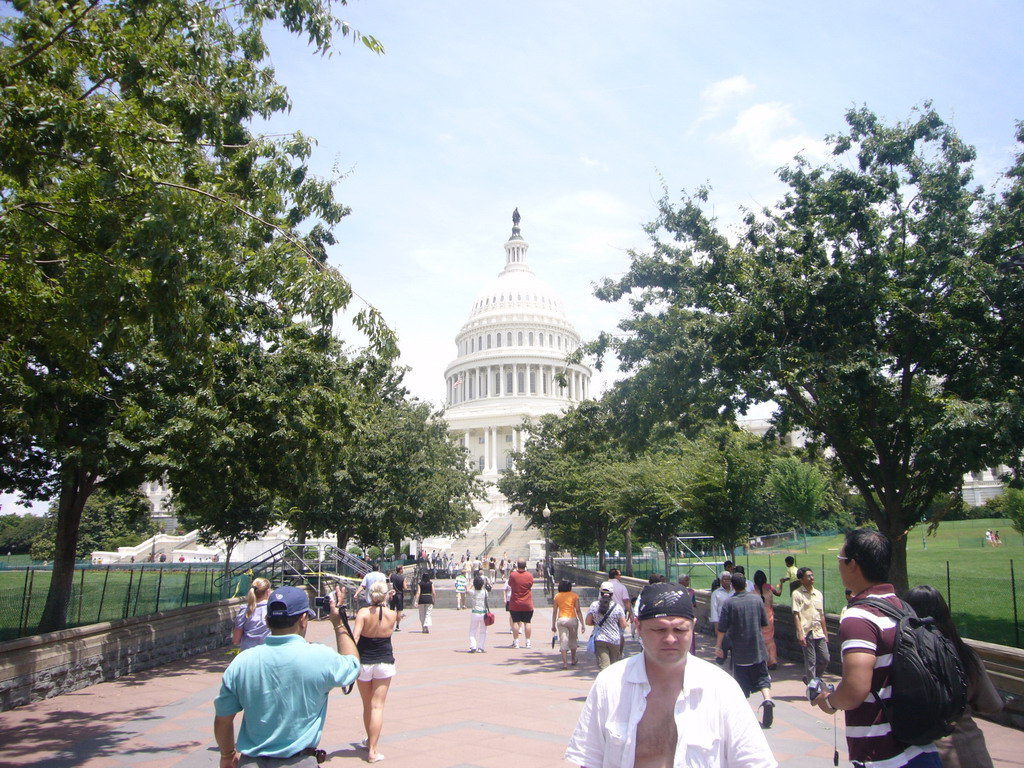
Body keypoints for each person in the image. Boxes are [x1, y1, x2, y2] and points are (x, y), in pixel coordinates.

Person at [567, 583, 776, 768]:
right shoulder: (610, 684)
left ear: (692, 626)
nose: (670, 639)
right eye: (658, 630)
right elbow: (590, 760)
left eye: (679, 629)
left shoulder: (722, 688)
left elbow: (754, 761)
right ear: (638, 627)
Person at [813, 528, 942, 767]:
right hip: (921, 744)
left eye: (841, 560)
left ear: (852, 564)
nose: (839, 566)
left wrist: (829, 701)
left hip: (883, 755)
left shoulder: (859, 617)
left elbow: (855, 689)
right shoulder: (903, 608)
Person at [213, 586, 360, 767]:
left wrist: (227, 754)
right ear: (303, 619)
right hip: (300, 761)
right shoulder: (320, 657)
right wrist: (338, 623)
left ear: (267, 621)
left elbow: (223, 719)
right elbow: (352, 665)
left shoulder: (241, 662)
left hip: (251, 762)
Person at [904, 585, 1003, 768]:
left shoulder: (904, 659)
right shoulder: (965, 654)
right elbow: (993, 704)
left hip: (924, 753)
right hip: (970, 751)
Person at [716, 572, 775, 728]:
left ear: (733, 585)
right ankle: (767, 700)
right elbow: (764, 623)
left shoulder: (729, 603)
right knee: (762, 677)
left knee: (741, 683)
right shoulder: (756, 600)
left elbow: (722, 628)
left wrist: (718, 646)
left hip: (740, 651)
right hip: (758, 648)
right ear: (745, 584)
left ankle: (743, 715)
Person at [354, 581, 397, 763]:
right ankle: (373, 749)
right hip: (384, 661)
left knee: (367, 704)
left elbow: (355, 637)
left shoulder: (363, 613)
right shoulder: (392, 615)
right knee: (378, 706)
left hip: (364, 660)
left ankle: (369, 740)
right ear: (386, 595)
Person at [791, 566, 829, 683]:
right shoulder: (797, 594)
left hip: (819, 631)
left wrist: (825, 633)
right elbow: (796, 615)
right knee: (811, 661)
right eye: (808, 576)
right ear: (801, 579)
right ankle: (813, 688)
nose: (811, 578)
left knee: (825, 658)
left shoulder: (818, 594)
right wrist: (800, 633)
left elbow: (821, 614)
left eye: (812, 575)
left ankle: (812, 679)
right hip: (807, 632)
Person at [585, 582, 628, 671]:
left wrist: (597, 622)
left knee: (604, 668)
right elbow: (623, 625)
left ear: (600, 592)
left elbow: (588, 622)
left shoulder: (594, 605)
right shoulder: (617, 607)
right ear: (612, 594)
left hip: (600, 639)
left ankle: (605, 684)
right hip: (614, 640)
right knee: (613, 667)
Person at [552, 579, 585, 668]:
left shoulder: (557, 596)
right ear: (569, 587)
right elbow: (578, 610)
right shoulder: (574, 596)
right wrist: (582, 623)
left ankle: (565, 663)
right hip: (572, 619)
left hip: (561, 619)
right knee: (573, 640)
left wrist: (553, 624)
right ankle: (573, 659)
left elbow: (555, 611)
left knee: (563, 640)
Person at [233, 577, 272, 651]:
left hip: (248, 651)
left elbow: (236, 640)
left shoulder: (245, 610)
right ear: (268, 591)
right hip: (267, 651)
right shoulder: (272, 610)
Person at [753, 570, 781, 668]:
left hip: (757, 617)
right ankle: (772, 659)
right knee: (770, 639)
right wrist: (781, 584)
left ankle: (761, 659)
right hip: (769, 616)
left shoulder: (752, 592)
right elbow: (774, 600)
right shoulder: (769, 590)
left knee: (759, 638)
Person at [507, 558, 535, 648]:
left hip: (515, 602)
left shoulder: (513, 575)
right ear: (525, 565)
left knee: (515, 622)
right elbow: (530, 585)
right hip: (527, 602)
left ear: (517, 565)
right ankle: (528, 642)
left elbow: (510, 584)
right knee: (527, 622)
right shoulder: (530, 575)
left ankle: (516, 642)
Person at [607, 568, 633, 650]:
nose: (620, 576)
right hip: (620, 613)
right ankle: (619, 652)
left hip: (607, 612)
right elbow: (626, 601)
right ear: (615, 576)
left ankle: (611, 650)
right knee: (620, 633)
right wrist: (631, 613)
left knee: (608, 631)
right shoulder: (622, 587)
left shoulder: (604, 585)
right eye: (619, 574)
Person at [468, 575, 491, 652]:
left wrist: (471, 584)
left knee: (472, 630)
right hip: (483, 613)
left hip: (475, 612)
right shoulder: (485, 592)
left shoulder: (473, 592)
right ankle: (481, 647)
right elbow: (486, 590)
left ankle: (473, 646)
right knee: (483, 631)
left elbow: (467, 589)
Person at [677, 573, 698, 654]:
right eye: (686, 580)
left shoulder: (691, 592)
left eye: (688, 580)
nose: (688, 582)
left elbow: (694, 604)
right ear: (681, 581)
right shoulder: (676, 591)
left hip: (689, 617)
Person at [388, 565, 405, 631]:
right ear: (400, 570)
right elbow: (405, 586)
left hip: (393, 594)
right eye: (402, 569)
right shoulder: (403, 577)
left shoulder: (392, 576)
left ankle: (391, 625)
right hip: (399, 595)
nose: (403, 570)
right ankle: (397, 626)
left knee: (392, 610)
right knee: (399, 611)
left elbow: (389, 583)